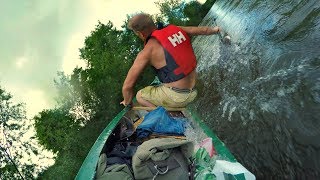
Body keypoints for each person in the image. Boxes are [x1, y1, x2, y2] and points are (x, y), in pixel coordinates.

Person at [120, 13, 222, 108]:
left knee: (140, 96)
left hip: (180, 98)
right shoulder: (175, 29)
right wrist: (215, 30)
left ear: (141, 34)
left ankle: (170, 117)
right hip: (197, 87)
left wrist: (127, 102)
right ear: (153, 24)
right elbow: (203, 31)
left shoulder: (147, 52)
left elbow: (127, 87)